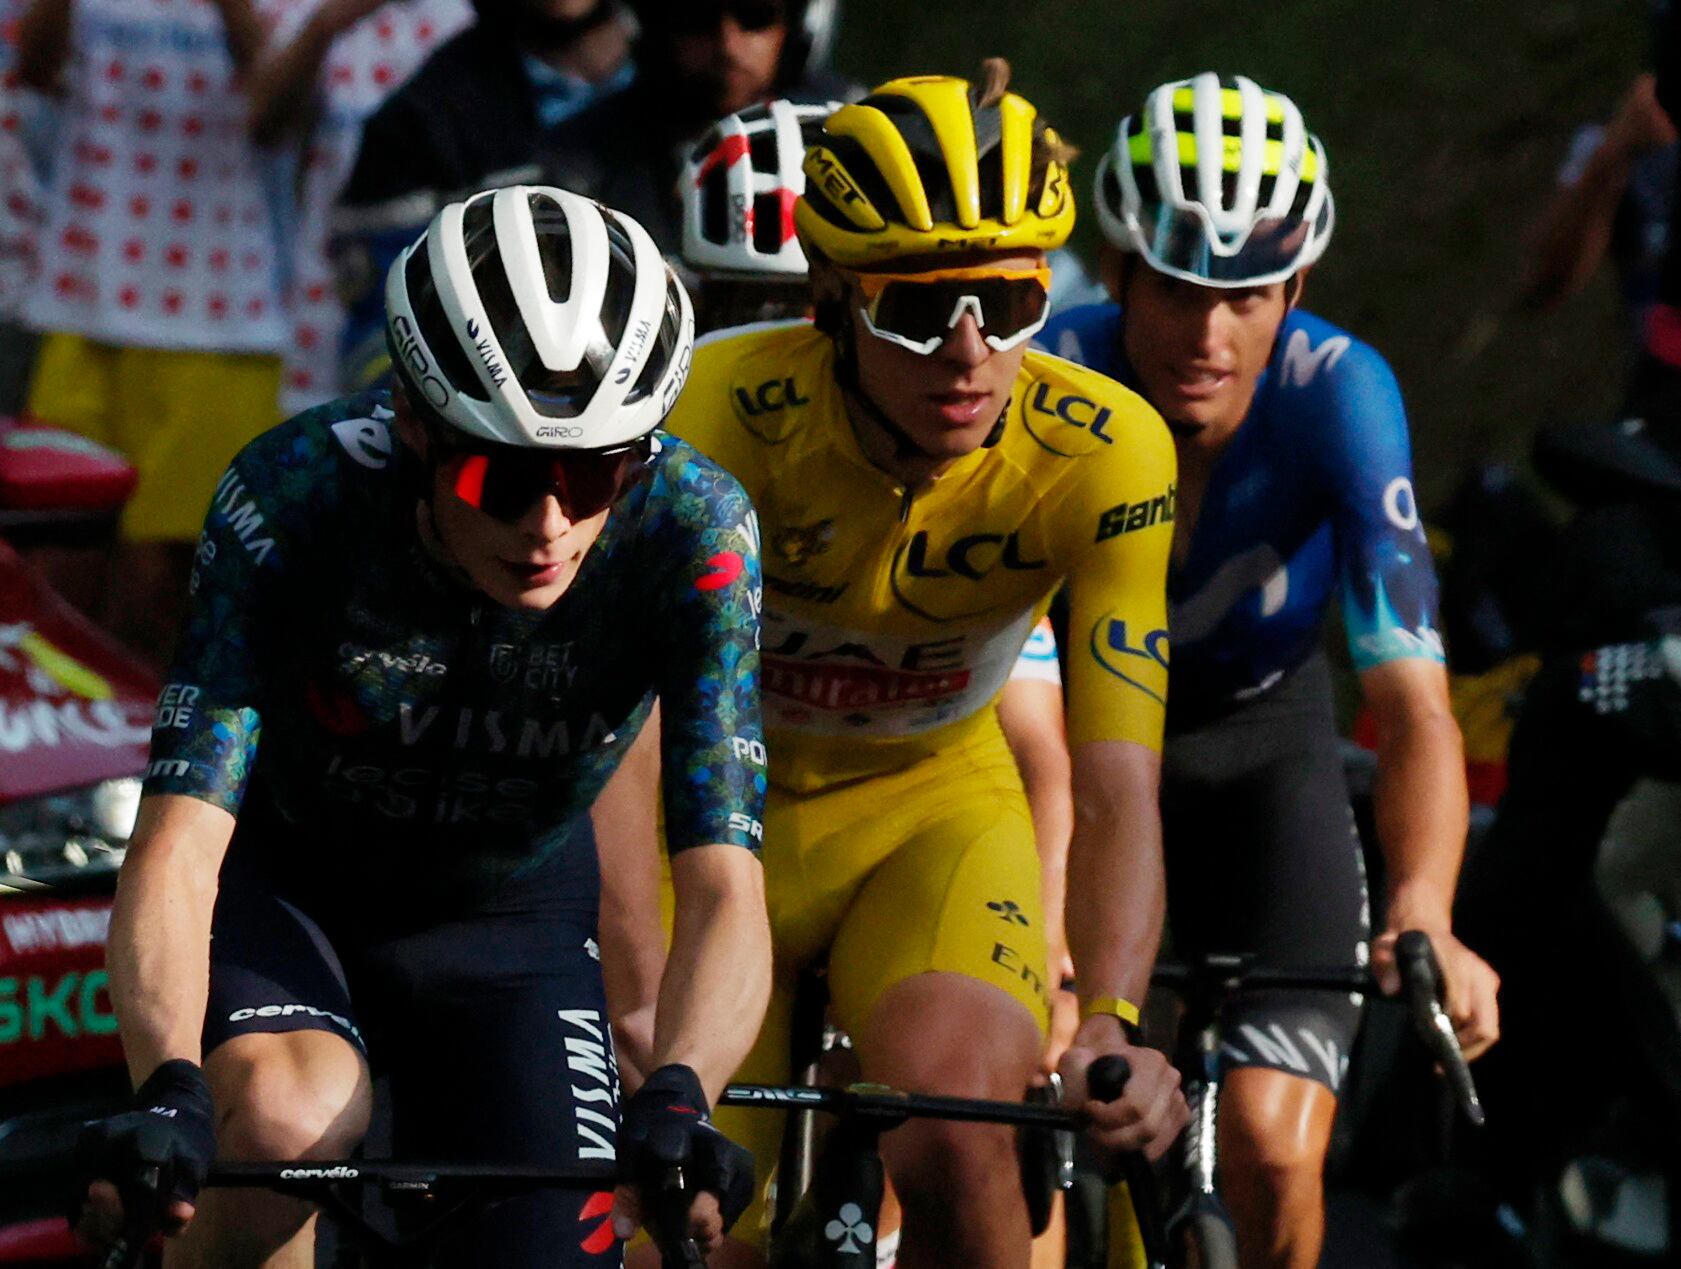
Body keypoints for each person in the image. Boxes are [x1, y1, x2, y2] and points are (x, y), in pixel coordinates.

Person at [73, 187, 772, 1267]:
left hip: (514, 917)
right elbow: (175, 844)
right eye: (502, 477)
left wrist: (681, 1091)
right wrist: (169, 1085)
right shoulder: (294, 494)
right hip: (291, 888)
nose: (549, 525)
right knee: (273, 1126)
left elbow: (724, 878)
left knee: (564, 1240)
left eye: (594, 475)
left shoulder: (696, 530)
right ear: (413, 426)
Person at [663, 60, 1188, 1267]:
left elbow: (1117, 783)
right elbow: (625, 738)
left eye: (1006, 305)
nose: (966, 352)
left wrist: (1106, 1025)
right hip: (692, 820)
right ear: (830, 298)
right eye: (919, 308)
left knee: (959, 1139)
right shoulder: (703, 420)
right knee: (686, 1223)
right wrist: (644, 1004)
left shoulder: (1105, 457)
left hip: (925, 811)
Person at [1039, 72, 1502, 1269]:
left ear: (1294, 289)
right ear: (1119, 269)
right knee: (1002, 1119)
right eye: (1180, 289)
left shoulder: (1340, 393)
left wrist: (1424, 913)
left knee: (1274, 1149)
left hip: (1261, 748)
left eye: (1244, 296)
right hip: (1072, 757)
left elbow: (1411, 704)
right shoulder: (1053, 376)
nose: (1206, 336)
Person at [14, 0, 286, 669]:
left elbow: (279, 114)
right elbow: (33, 71)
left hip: (226, 312)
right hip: (83, 298)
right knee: (53, 577)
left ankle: (163, 765)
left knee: (173, 591)